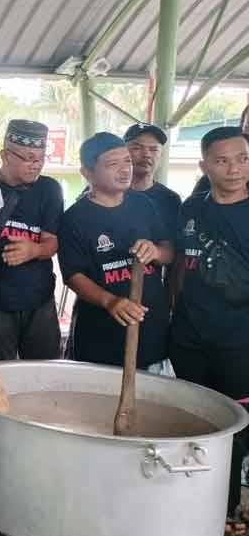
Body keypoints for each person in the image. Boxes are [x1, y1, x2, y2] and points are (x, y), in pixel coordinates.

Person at [170, 126, 249, 536]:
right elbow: (180, 267)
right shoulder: (191, 210)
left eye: (243, 158)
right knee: (193, 419)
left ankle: (227, 506)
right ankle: (190, 498)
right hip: (189, 337)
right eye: (222, 160)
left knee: (235, 426)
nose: (234, 169)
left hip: (240, 343)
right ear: (204, 166)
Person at [58, 132, 173, 370]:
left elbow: (169, 251)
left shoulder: (143, 205)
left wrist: (156, 252)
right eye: (113, 164)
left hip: (150, 329)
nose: (124, 170)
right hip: (100, 335)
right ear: (88, 173)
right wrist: (110, 301)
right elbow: (73, 276)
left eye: (127, 161)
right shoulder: (74, 218)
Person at [0, 120, 63, 362]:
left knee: (43, 374)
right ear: (5, 155)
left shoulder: (49, 189)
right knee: (0, 375)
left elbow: (52, 242)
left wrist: (34, 250)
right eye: (28, 158)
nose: (35, 165)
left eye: (41, 158)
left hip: (38, 300)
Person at [124, 122, 182, 239]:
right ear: (123, 152)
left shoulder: (171, 200)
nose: (146, 154)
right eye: (137, 148)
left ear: (161, 155)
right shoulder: (105, 193)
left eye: (154, 149)